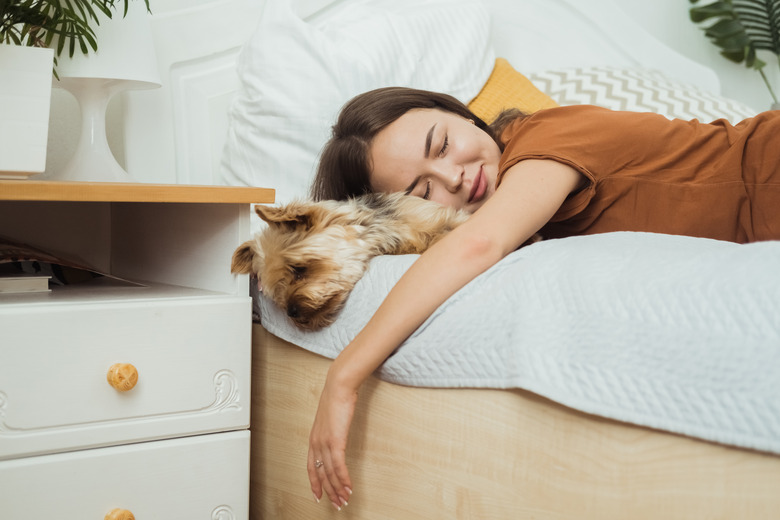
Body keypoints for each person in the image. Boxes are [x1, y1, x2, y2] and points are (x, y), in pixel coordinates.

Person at [305, 86, 780, 510]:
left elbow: (477, 244)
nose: (452, 177)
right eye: (423, 189)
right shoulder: (518, 213)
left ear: (466, 115)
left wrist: (343, 376)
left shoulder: (546, 137)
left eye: (444, 144)